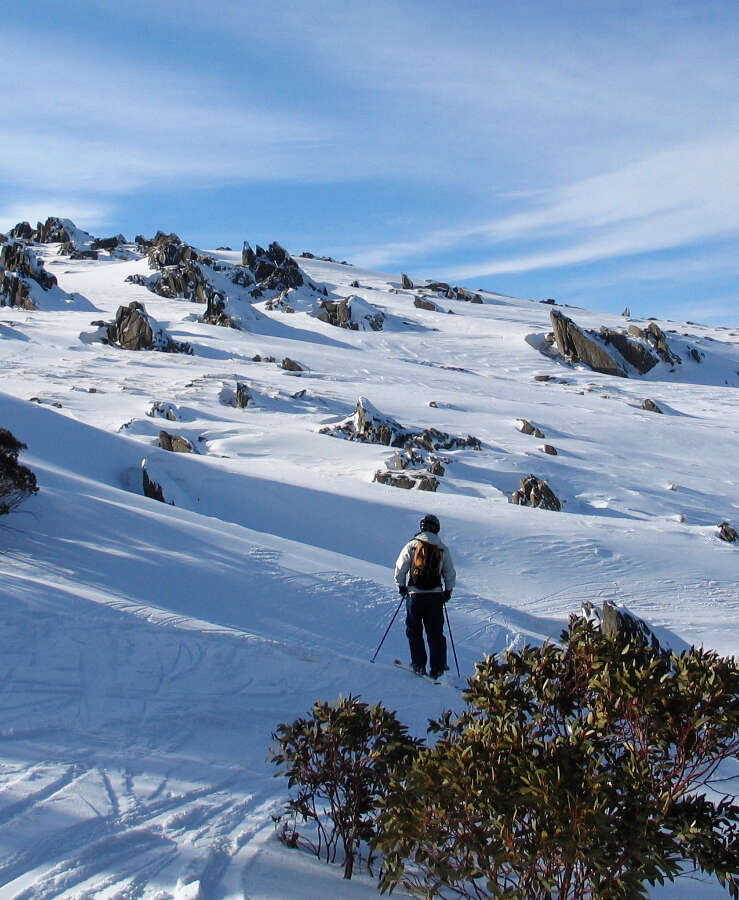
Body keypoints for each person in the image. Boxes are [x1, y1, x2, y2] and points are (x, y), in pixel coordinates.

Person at [394, 513, 456, 679]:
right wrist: (448, 591)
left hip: (415, 595)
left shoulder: (413, 545)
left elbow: (400, 567)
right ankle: (438, 668)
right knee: (435, 633)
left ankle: (418, 664)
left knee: (414, 630)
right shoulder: (442, 548)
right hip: (435, 596)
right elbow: (449, 573)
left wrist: (401, 586)